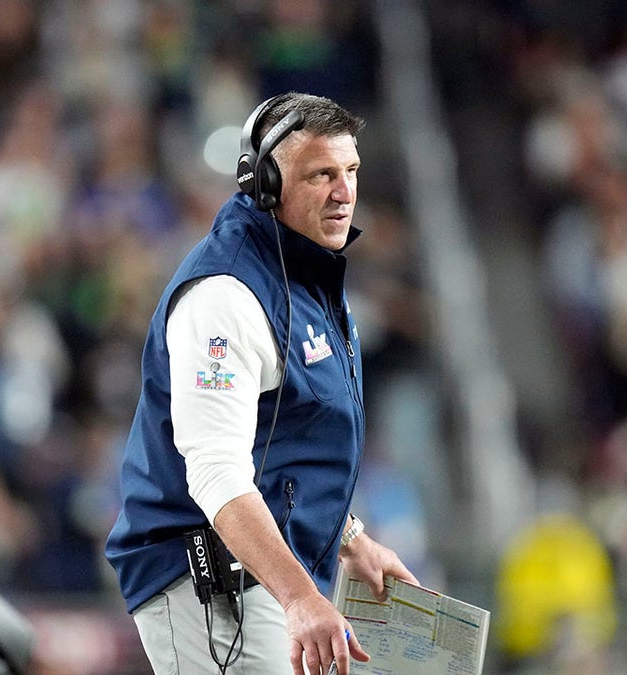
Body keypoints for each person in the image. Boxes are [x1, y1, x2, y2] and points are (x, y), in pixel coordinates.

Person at [105, 92, 418, 675]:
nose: (344, 192)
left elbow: (283, 444)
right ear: (266, 184)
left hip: (263, 572)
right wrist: (301, 598)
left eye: (350, 171)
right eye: (321, 174)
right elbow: (217, 470)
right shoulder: (225, 296)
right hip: (209, 580)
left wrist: (350, 538)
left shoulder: (304, 275)